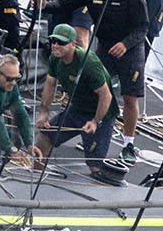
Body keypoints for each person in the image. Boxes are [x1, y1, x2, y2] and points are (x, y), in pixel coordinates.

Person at [46, 0, 148, 163]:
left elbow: (143, 28)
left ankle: (128, 144)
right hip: (105, 46)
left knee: (129, 98)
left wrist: (125, 44)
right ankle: (92, 131)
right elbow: (66, 3)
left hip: (130, 49)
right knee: (92, 89)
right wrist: (45, 4)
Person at [32, 24, 119, 177]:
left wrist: (95, 121)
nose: (56, 46)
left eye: (62, 42)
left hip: (100, 114)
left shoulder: (88, 62)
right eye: (53, 41)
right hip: (77, 109)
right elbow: (50, 84)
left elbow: (106, 96)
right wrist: (44, 112)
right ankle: (33, 176)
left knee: (95, 166)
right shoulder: (55, 58)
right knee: (44, 137)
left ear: (73, 44)